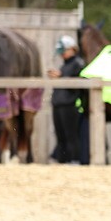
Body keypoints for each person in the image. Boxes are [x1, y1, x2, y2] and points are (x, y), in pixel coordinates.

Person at [48, 35, 86, 164]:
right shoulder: (65, 66)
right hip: (58, 104)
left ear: (72, 49)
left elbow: (78, 84)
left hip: (70, 105)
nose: (62, 54)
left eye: (64, 51)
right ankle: (62, 161)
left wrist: (61, 76)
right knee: (60, 136)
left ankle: (74, 160)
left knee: (71, 136)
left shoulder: (78, 64)